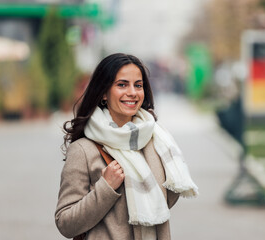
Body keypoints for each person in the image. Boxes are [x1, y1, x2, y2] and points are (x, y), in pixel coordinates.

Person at [55, 53, 198, 240]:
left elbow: (166, 201)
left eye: (138, 85)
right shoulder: (84, 150)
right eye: (122, 84)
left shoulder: (158, 142)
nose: (132, 92)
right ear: (104, 92)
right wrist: (105, 189)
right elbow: (66, 224)